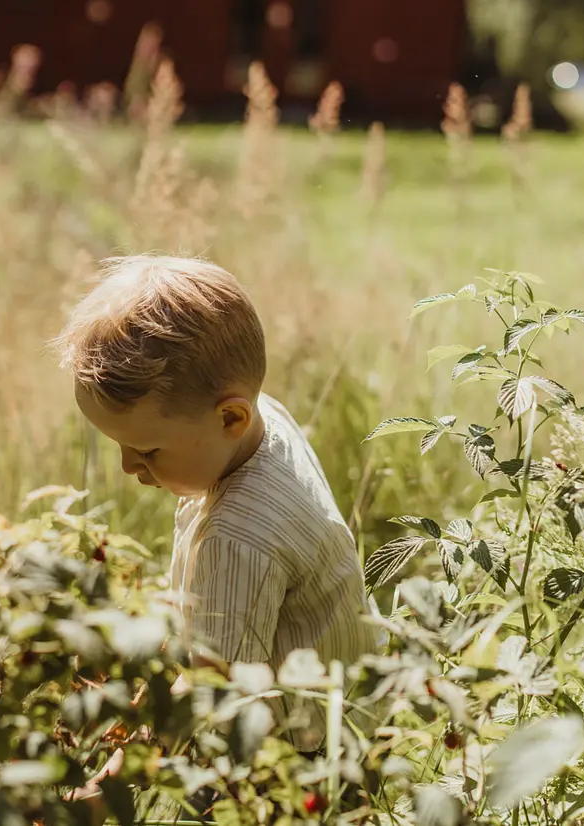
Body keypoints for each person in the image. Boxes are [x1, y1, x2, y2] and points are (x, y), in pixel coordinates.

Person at [56, 255, 376, 805]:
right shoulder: (260, 420)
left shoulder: (239, 536)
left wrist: (107, 789)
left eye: (147, 449)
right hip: (350, 725)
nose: (130, 469)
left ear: (231, 418)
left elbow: (211, 693)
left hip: (301, 769)